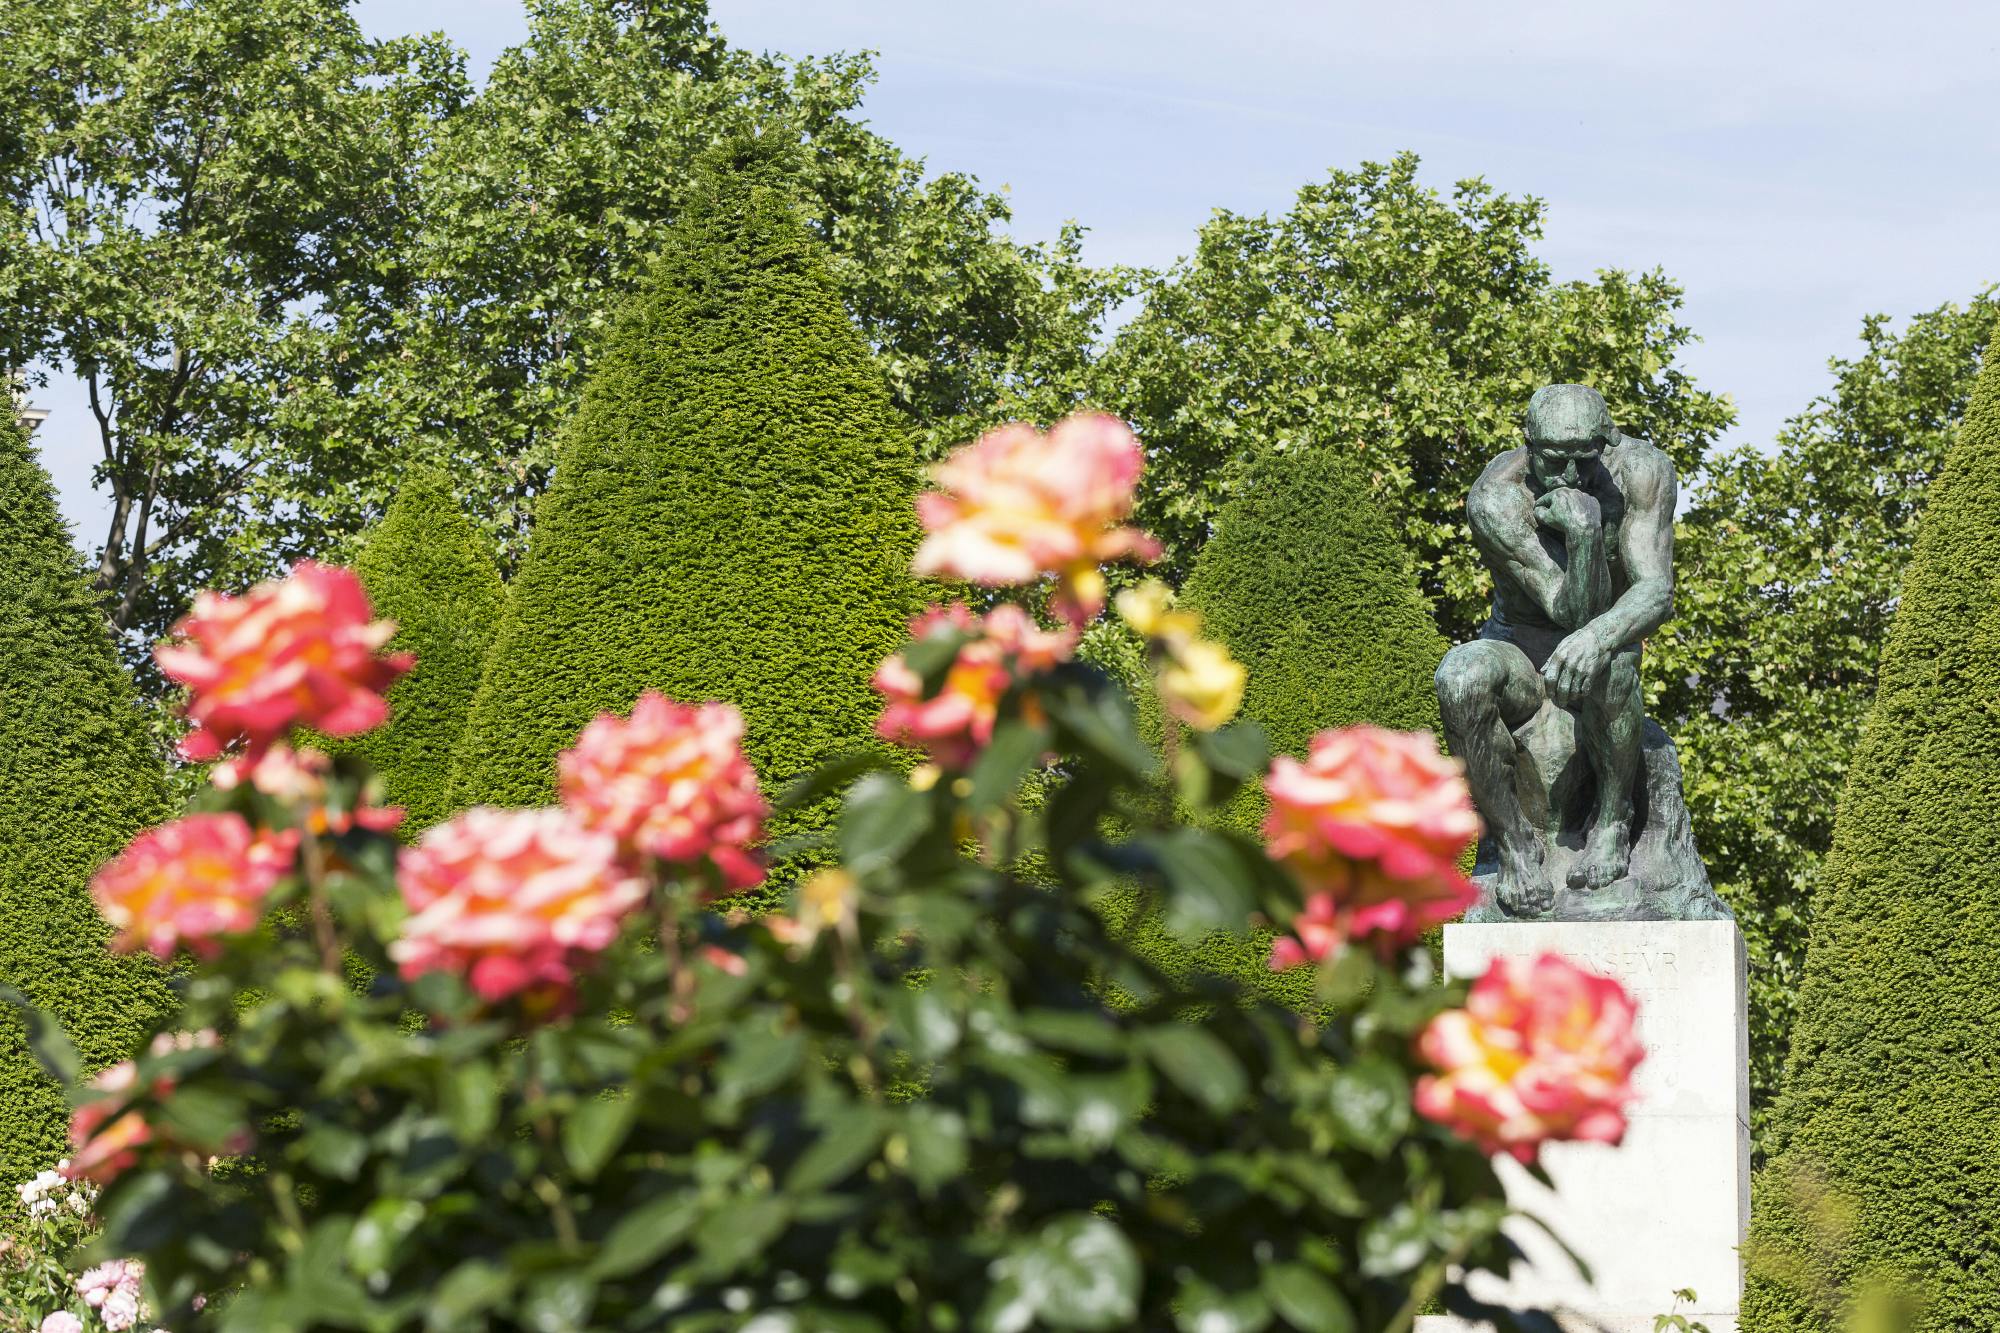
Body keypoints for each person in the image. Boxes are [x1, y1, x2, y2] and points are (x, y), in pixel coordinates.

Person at [1435, 384, 1675, 915]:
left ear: (1606, 446)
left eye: (1582, 460)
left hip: (1602, 647)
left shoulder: (1642, 472)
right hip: (1520, 652)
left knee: (1611, 662)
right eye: (1552, 460)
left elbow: (1655, 590)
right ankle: (1516, 847)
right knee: (1459, 676)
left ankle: (1612, 821)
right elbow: (1564, 609)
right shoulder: (1497, 496)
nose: (1568, 476)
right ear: (1528, 444)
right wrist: (1587, 535)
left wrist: (1598, 637)